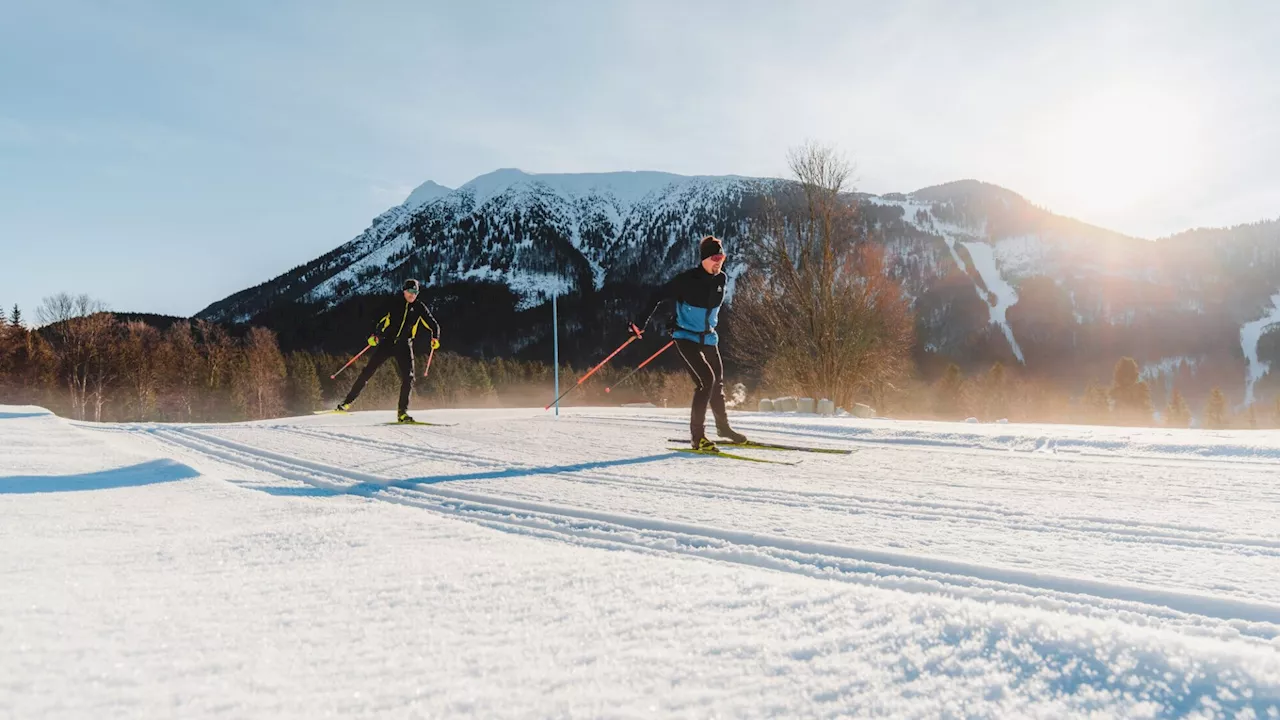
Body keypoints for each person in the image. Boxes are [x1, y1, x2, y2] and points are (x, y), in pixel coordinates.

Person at [634, 235, 749, 451]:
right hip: (685, 337)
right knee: (706, 380)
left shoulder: (721, 279)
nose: (719, 261)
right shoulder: (685, 280)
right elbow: (657, 296)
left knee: (717, 384)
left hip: (708, 336)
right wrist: (641, 322)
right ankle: (698, 438)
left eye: (721, 257)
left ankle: (723, 428)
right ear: (704, 259)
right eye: (715, 257)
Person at [336, 279, 440, 423]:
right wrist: (373, 335)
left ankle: (402, 413)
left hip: (405, 345)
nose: (412, 295)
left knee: (408, 377)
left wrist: (435, 338)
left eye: (415, 292)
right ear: (404, 291)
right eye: (410, 291)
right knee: (368, 371)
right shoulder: (393, 303)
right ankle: (346, 403)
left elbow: (433, 324)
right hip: (388, 343)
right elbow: (376, 318)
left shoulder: (419, 307)